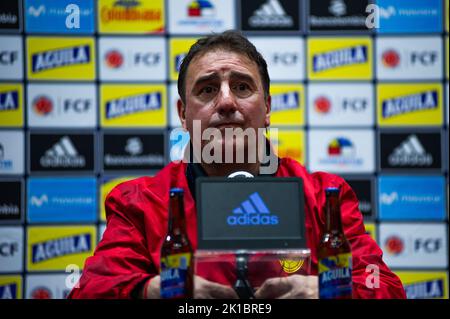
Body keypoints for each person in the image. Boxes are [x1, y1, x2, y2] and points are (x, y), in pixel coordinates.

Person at [68, 30, 406, 299]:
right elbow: (90, 292)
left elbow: (385, 288)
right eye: (207, 89)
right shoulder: (139, 202)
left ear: (268, 107)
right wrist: (150, 292)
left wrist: (329, 293)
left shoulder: (324, 196)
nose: (227, 101)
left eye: (242, 87)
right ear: (184, 115)